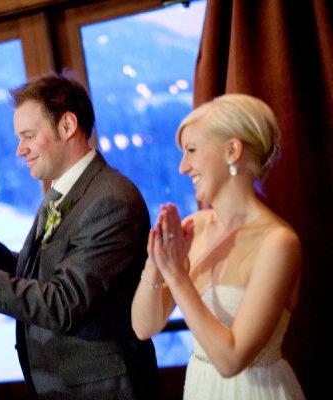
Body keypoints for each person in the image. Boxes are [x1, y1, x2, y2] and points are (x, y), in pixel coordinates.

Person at [0, 74, 161, 399]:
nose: (20, 149)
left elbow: (63, 303)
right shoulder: (62, 190)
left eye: (28, 135)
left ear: (68, 126)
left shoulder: (110, 199)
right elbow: (42, 278)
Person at [131, 94, 305, 399]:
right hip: (201, 387)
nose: (183, 167)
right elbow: (144, 327)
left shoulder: (278, 242)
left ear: (232, 150)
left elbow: (231, 360)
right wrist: (155, 261)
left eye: (192, 151)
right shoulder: (196, 227)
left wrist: (177, 275)